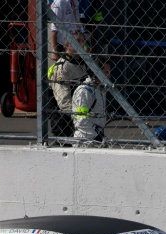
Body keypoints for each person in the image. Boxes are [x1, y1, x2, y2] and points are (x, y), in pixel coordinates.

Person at [48, 0, 89, 138]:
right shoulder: (60, 3)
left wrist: (84, 41)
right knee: (61, 89)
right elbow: (53, 29)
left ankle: (74, 127)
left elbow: (78, 25)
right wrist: (55, 51)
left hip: (73, 49)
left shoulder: (75, 2)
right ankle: (62, 133)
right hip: (64, 46)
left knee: (75, 84)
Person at [71, 72, 107, 143]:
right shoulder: (84, 91)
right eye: (106, 72)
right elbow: (80, 118)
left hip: (96, 135)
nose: (108, 75)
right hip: (84, 138)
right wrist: (96, 135)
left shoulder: (98, 89)